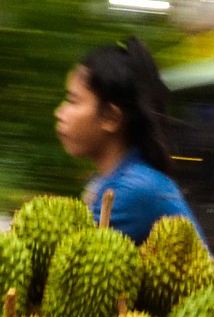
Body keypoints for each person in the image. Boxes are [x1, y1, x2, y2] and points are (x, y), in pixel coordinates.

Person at [54, 37, 200, 242]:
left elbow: (69, 258)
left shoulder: (131, 191)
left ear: (111, 118)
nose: (60, 112)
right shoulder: (110, 182)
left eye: (73, 101)